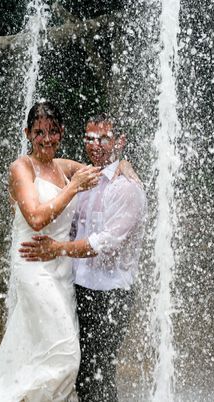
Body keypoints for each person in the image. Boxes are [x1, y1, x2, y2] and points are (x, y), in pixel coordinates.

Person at [0, 101, 101, 402]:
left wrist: (123, 165)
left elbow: (101, 169)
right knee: (66, 354)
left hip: (60, 270)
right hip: (32, 266)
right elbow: (35, 218)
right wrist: (72, 189)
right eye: (39, 132)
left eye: (54, 131)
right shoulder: (21, 167)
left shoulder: (63, 166)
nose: (47, 139)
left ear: (61, 133)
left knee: (34, 348)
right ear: (27, 133)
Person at [20, 113, 147, 402]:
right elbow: (44, 166)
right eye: (89, 138)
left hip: (111, 293)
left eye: (104, 138)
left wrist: (58, 249)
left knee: (97, 371)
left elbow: (105, 243)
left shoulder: (127, 188)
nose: (95, 145)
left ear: (120, 141)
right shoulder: (86, 179)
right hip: (77, 286)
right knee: (75, 369)